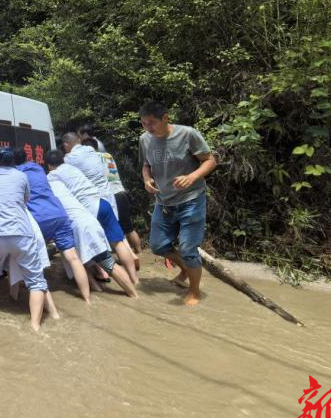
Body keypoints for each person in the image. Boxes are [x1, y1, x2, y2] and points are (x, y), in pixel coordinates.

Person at [139, 101, 216, 306]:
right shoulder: (145, 139)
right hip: (163, 202)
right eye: (144, 123)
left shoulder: (187, 134)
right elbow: (146, 165)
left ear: (166, 118)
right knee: (158, 245)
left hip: (191, 199)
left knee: (188, 248)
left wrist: (192, 177)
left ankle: (195, 291)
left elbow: (210, 160)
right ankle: (186, 270)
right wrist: (147, 179)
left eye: (152, 123)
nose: (148, 128)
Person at [46, 149, 137, 297]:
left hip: (89, 213)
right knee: (119, 243)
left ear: (49, 165)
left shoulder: (52, 177)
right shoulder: (73, 168)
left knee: (107, 262)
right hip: (103, 203)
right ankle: (134, 280)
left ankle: (133, 295)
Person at [0, 147, 51, 332]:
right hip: (21, 232)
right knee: (36, 281)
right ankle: (35, 325)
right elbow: (25, 199)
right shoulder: (21, 176)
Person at [13, 149, 91, 303]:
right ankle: (87, 299)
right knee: (73, 258)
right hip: (59, 213)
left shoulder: (15, 174)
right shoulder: (37, 168)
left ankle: (16, 298)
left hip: (39, 219)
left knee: (31, 259)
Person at [80, 136, 143, 267]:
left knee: (115, 229)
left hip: (110, 196)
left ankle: (130, 255)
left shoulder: (91, 158)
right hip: (121, 192)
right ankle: (139, 252)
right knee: (128, 227)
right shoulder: (108, 156)